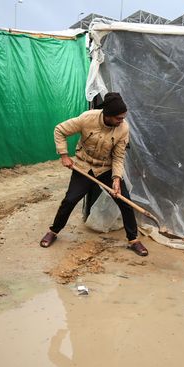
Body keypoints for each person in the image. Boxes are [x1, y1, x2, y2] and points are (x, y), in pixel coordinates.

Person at [39, 92, 149, 256]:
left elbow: (119, 156)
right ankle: (53, 231)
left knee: (125, 202)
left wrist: (117, 179)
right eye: (118, 118)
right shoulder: (87, 118)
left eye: (123, 117)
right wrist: (64, 155)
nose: (122, 121)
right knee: (70, 200)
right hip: (83, 167)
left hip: (106, 168)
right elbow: (59, 130)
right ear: (108, 115)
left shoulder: (123, 128)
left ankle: (133, 240)